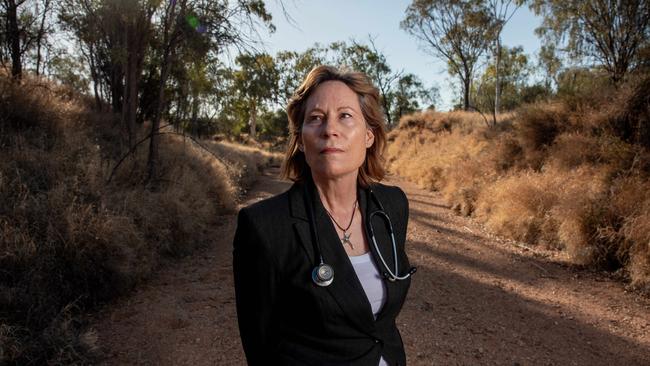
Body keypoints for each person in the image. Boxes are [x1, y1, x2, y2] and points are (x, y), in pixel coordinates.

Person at [233, 65, 414, 366]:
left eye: (345, 116)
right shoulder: (265, 226)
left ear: (369, 135)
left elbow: (379, 323)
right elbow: (259, 344)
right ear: (301, 141)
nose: (330, 129)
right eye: (315, 118)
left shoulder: (392, 205)